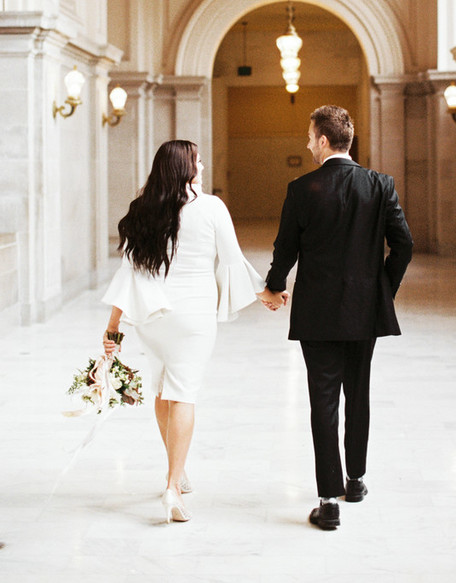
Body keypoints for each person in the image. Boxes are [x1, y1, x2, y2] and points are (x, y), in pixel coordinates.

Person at [101, 140, 281, 523]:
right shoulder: (211, 206)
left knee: (163, 388)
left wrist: (113, 327)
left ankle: (177, 470)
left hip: (153, 316)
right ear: (186, 168)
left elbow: (129, 272)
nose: (201, 165)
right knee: (183, 392)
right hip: (192, 317)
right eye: (197, 160)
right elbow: (232, 261)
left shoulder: (142, 210)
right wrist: (267, 293)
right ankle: (171, 486)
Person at [260, 105, 413, 530]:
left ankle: (328, 500)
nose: (308, 144)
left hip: (318, 313)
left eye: (310, 137)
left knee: (323, 402)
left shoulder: (301, 188)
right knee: (358, 393)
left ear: (324, 141)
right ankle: (356, 479)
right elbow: (404, 246)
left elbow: (285, 249)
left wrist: (274, 287)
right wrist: (382, 290)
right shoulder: (380, 185)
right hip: (364, 311)